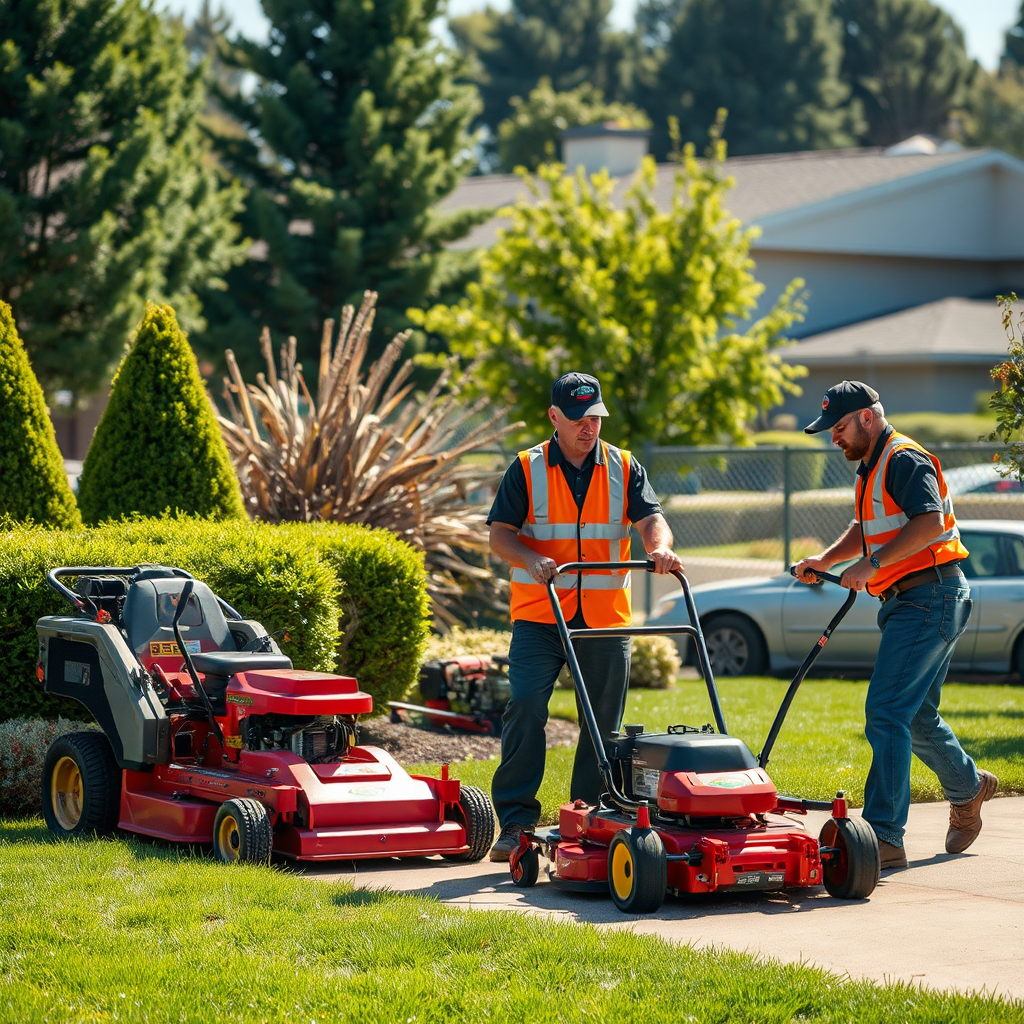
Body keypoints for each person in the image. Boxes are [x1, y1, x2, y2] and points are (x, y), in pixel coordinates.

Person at [793, 380, 997, 871]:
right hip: (919, 600)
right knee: (914, 716)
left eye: (839, 428)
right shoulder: (871, 467)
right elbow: (865, 530)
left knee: (885, 710)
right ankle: (970, 789)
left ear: (867, 417)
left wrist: (874, 565)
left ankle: (884, 835)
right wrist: (829, 558)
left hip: (931, 597)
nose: (834, 438)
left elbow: (930, 524)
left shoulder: (904, 458)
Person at [485, 371, 684, 861]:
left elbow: (651, 519)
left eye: (595, 416)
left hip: (603, 618)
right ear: (554, 417)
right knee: (527, 706)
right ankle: (515, 822)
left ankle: (586, 814)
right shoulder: (526, 467)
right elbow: (500, 535)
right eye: (578, 418)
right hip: (539, 615)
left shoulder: (624, 466)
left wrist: (659, 548)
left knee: (602, 726)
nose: (588, 426)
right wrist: (530, 558)